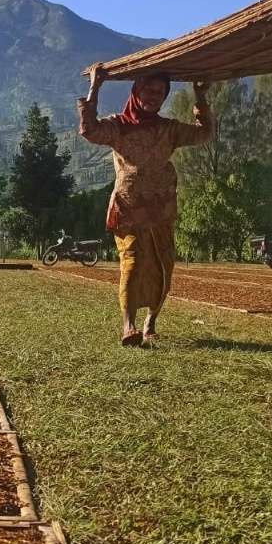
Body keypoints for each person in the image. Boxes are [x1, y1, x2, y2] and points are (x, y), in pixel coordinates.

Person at [79, 65, 214, 346]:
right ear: (136, 91)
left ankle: (150, 322)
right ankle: (128, 326)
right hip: (128, 210)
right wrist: (96, 87)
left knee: (164, 265)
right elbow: (89, 130)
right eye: (148, 90)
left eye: (160, 93)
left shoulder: (169, 129)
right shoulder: (118, 126)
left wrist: (199, 97)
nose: (153, 97)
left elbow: (204, 134)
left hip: (161, 210)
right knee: (133, 262)